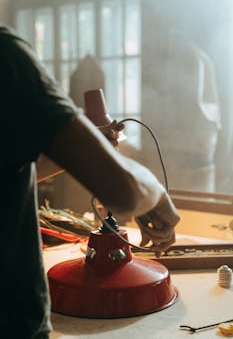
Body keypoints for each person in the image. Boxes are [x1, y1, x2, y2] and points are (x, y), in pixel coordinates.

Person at [0, 25, 179, 339]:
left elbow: (13, 166)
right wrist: (155, 192)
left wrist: (85, 149)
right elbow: (123, 191)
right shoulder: (6, 55)